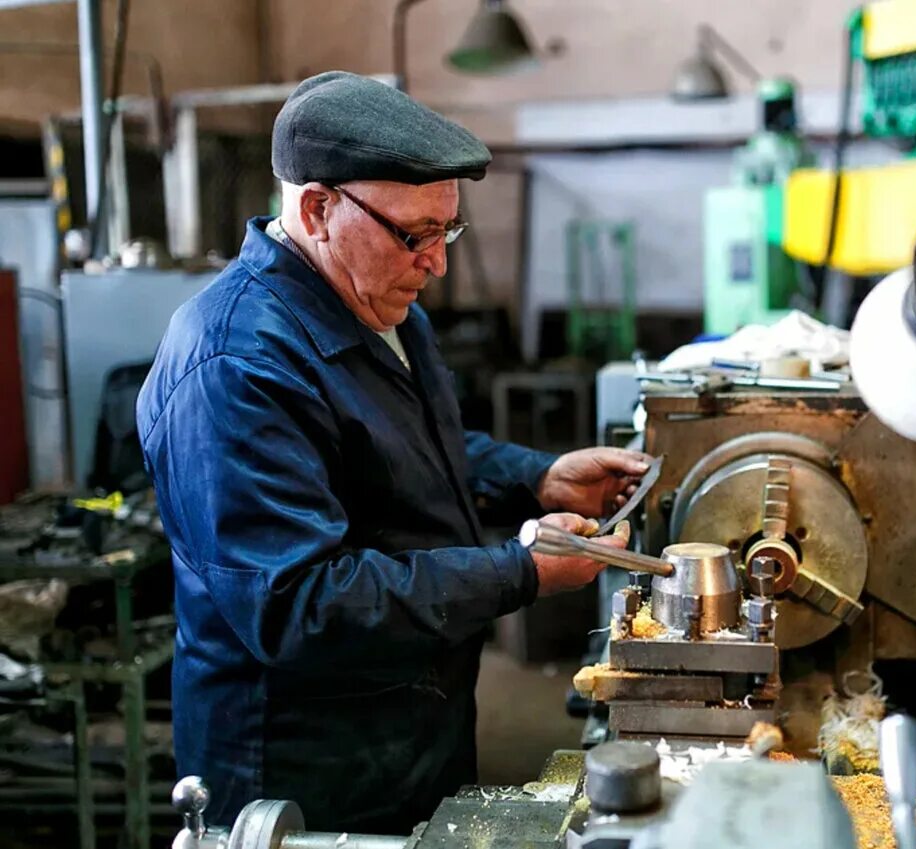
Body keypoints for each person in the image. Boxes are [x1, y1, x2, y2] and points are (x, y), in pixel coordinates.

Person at [137, 71, 649, 835]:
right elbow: (299, 601)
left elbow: (409, 447)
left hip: (411, 723)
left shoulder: (381, 305)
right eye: (416, 235)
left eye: (448, 231)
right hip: (304, 771)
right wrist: (518, 570)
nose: (437, 263)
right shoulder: (236, 363)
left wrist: (536, 478)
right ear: (317, 208)